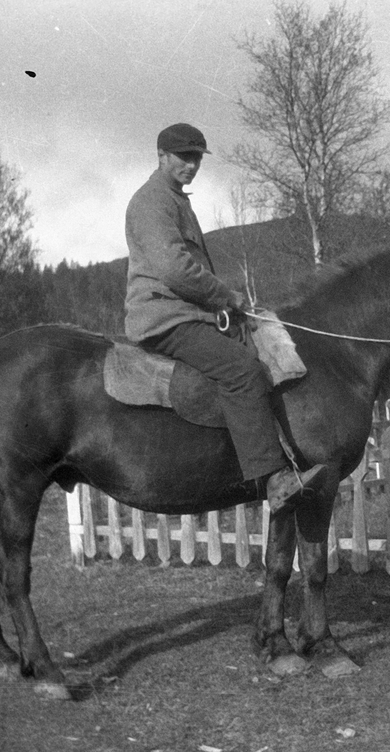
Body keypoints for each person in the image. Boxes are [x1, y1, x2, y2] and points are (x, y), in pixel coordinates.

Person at [124, 122, 325, 510]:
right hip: (163, 318)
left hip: (185, 312)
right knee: (241, 370)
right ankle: (274, 480)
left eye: (197, 157)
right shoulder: (152, 201)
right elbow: (174, 270)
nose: (192, 165)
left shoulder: (174, 198)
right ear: (161, 156)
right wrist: (226, 298)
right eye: (184, 156)